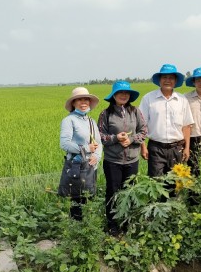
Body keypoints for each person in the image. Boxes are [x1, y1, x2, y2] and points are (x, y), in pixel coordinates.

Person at [98, 80, 147, 235]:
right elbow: (100, 136)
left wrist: (131, 140)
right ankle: (112, 224)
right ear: (114, 95)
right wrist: (115, 138)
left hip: (132, 160)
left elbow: (144, 130)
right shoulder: (106, 114)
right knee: (113, 191)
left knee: (129, 191)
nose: (123, 95)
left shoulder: (136, 112)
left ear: (130, 96)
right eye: (120, 93)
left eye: (126, 93)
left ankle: (127, 222)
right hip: (113, 161)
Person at [140, 64, 194, 178]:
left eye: (171, 78)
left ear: (175, 81)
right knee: (156, 183)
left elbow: (186, 126)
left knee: (175, 184)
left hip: (177, 148)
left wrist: (187, 148)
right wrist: (143, 147)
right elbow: (141, 125)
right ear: (159, 80)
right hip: (156, 148)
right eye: (164, 77)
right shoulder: (148, 98)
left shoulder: (182, 100)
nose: (167, 81)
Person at [59, 87, 103, 220]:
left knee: (89, 199)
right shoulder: (69, 120)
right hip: (77, 167)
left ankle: (87, 230)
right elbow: (64, 144)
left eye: (86, 99)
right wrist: (86, 148)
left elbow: (99, 142)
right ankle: (76, 232)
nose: (83, 102)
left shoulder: (91, 121)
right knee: (77, 201)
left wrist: (97, 156)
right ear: (73, 103)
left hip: (90, 166)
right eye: (79, 99)